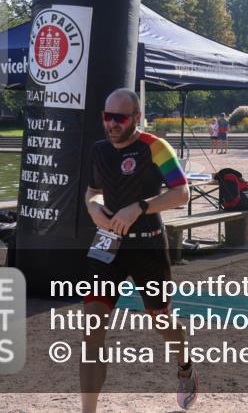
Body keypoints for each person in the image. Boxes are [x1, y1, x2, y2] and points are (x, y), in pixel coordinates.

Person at [82, 88, 198, 412]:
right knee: (91, 335)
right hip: (108, 246)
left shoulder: (155, 147)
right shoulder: (99, 150)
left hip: (147, 243)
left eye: (120, 118)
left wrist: (140, 206)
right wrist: (93, 208)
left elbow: (182, 194)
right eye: (107, 117)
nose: (112, 124)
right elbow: (93, 191)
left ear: (136, 118)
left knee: (162, 321)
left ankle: (185, 365)